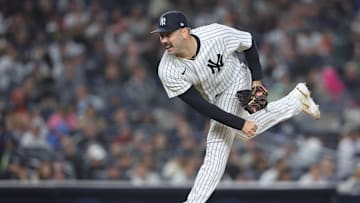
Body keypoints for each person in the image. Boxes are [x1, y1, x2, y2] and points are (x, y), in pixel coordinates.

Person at [151, 10, 320, 203]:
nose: (164, 40)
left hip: (236, 80)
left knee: (217, 143)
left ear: (184, 32)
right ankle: (297, 100)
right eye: (161, 35)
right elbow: (202, 106)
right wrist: (240, 124)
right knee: (242, 131)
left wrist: (257, 79)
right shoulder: (167, 69)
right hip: (214, 98)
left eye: (168, 34)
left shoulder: (215, 34)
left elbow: (248, 42)